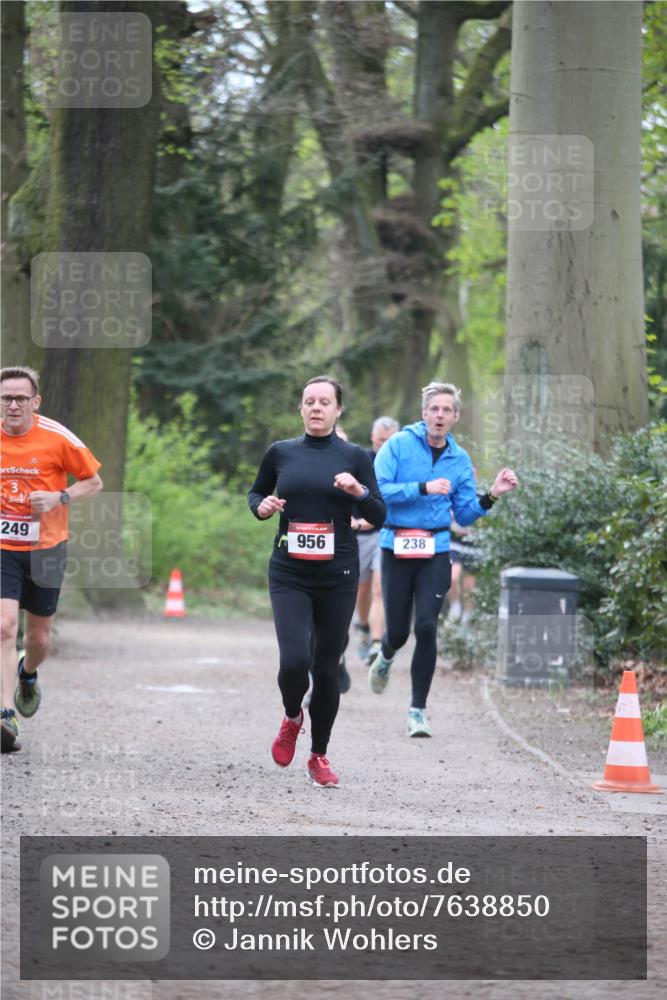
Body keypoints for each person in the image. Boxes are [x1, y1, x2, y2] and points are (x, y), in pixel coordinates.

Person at [248, 376, 385, 787]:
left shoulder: (355, 456)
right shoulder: (281, 453)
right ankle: (292, 717)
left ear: (338, 409)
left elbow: (379, 514)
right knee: (294, 661)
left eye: (325, 401)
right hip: (289, 570)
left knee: (326, 669)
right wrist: (264, 507)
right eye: (309, 401)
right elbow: (255, 495)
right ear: (301, 408)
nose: (316, 407)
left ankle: (319, 756)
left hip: (338, 574)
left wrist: (358, 490)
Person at [368, 381, 518, 737]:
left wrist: (492, 495)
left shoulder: (459, 459)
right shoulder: (399, 445)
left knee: (426, 627)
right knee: (400, 632)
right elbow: (379, 491)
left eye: (446, 410)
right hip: (396, 546)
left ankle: (417, 711)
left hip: (435, 550)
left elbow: (464, 515)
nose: (439, 415)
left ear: (455, 417)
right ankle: (386, 655)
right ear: (424, 413)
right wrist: (423, 487)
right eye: (434, 409)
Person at [1, 366, 103, 752]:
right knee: (4, 626)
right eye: (6, 398)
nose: (13, 405)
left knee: (39, 637)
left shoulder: (57, 437)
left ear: (35, 401)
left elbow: (94, 482)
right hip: (3, 550)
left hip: (46, 547)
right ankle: (5, 713)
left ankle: (28, 673)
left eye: (20, 398)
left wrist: (59, 497)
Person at [351, 416, 399, 663]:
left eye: (390, 440)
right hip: (362, 533)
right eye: (381, 440)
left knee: (380, 590)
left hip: (387, 533)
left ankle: (377, 643)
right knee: (362, 590)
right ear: (373, 438)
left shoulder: (401, 462)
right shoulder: (361, 460)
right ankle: (363, 626)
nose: (385, 444)